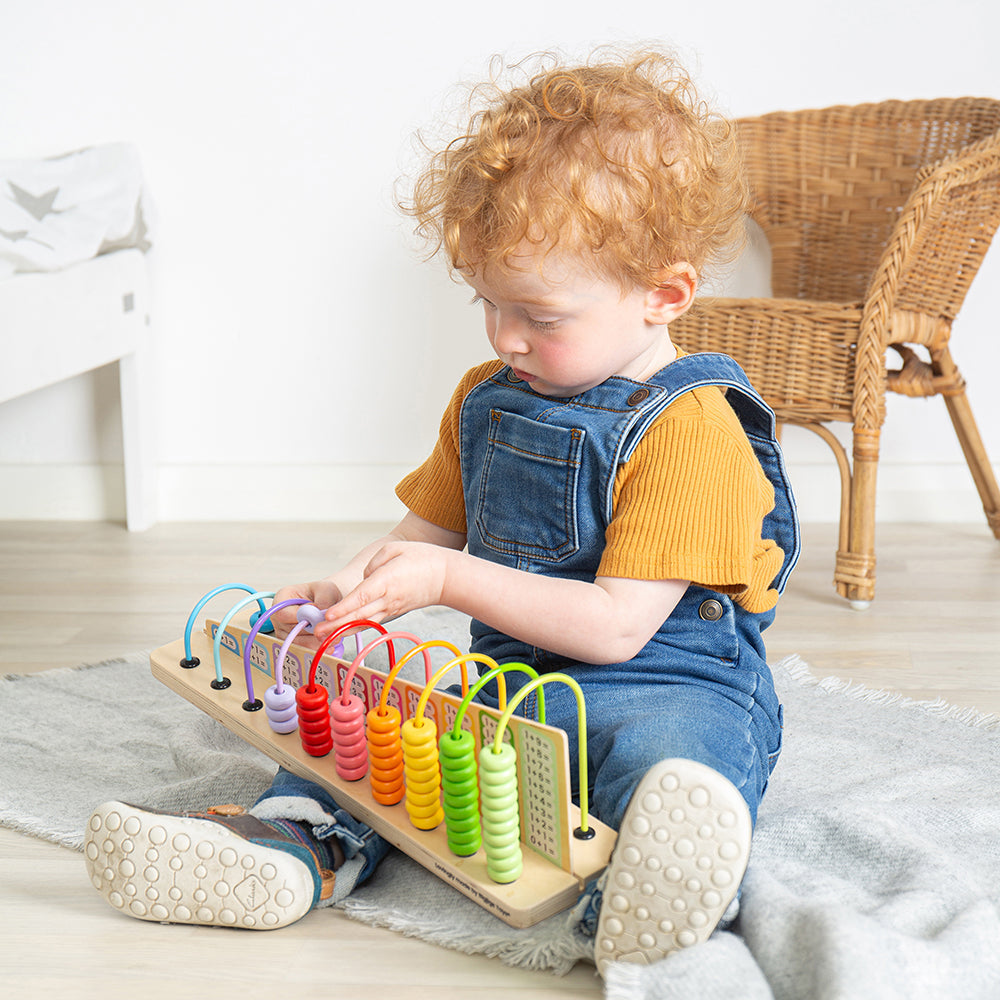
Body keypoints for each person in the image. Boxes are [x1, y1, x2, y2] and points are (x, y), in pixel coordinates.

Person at [85, 46, 798, 976]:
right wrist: (346, 590)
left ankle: (652, 899)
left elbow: (619, 628)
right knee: (386, 744)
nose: (506, 338)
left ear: (665, 294)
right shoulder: (488, 396)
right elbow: (426, 535)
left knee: (674, 768)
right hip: (512, 686)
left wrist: (451, 581)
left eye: (539, 315)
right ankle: (285, 849)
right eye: (487, 303)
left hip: (664, 683)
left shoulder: (695, 432)